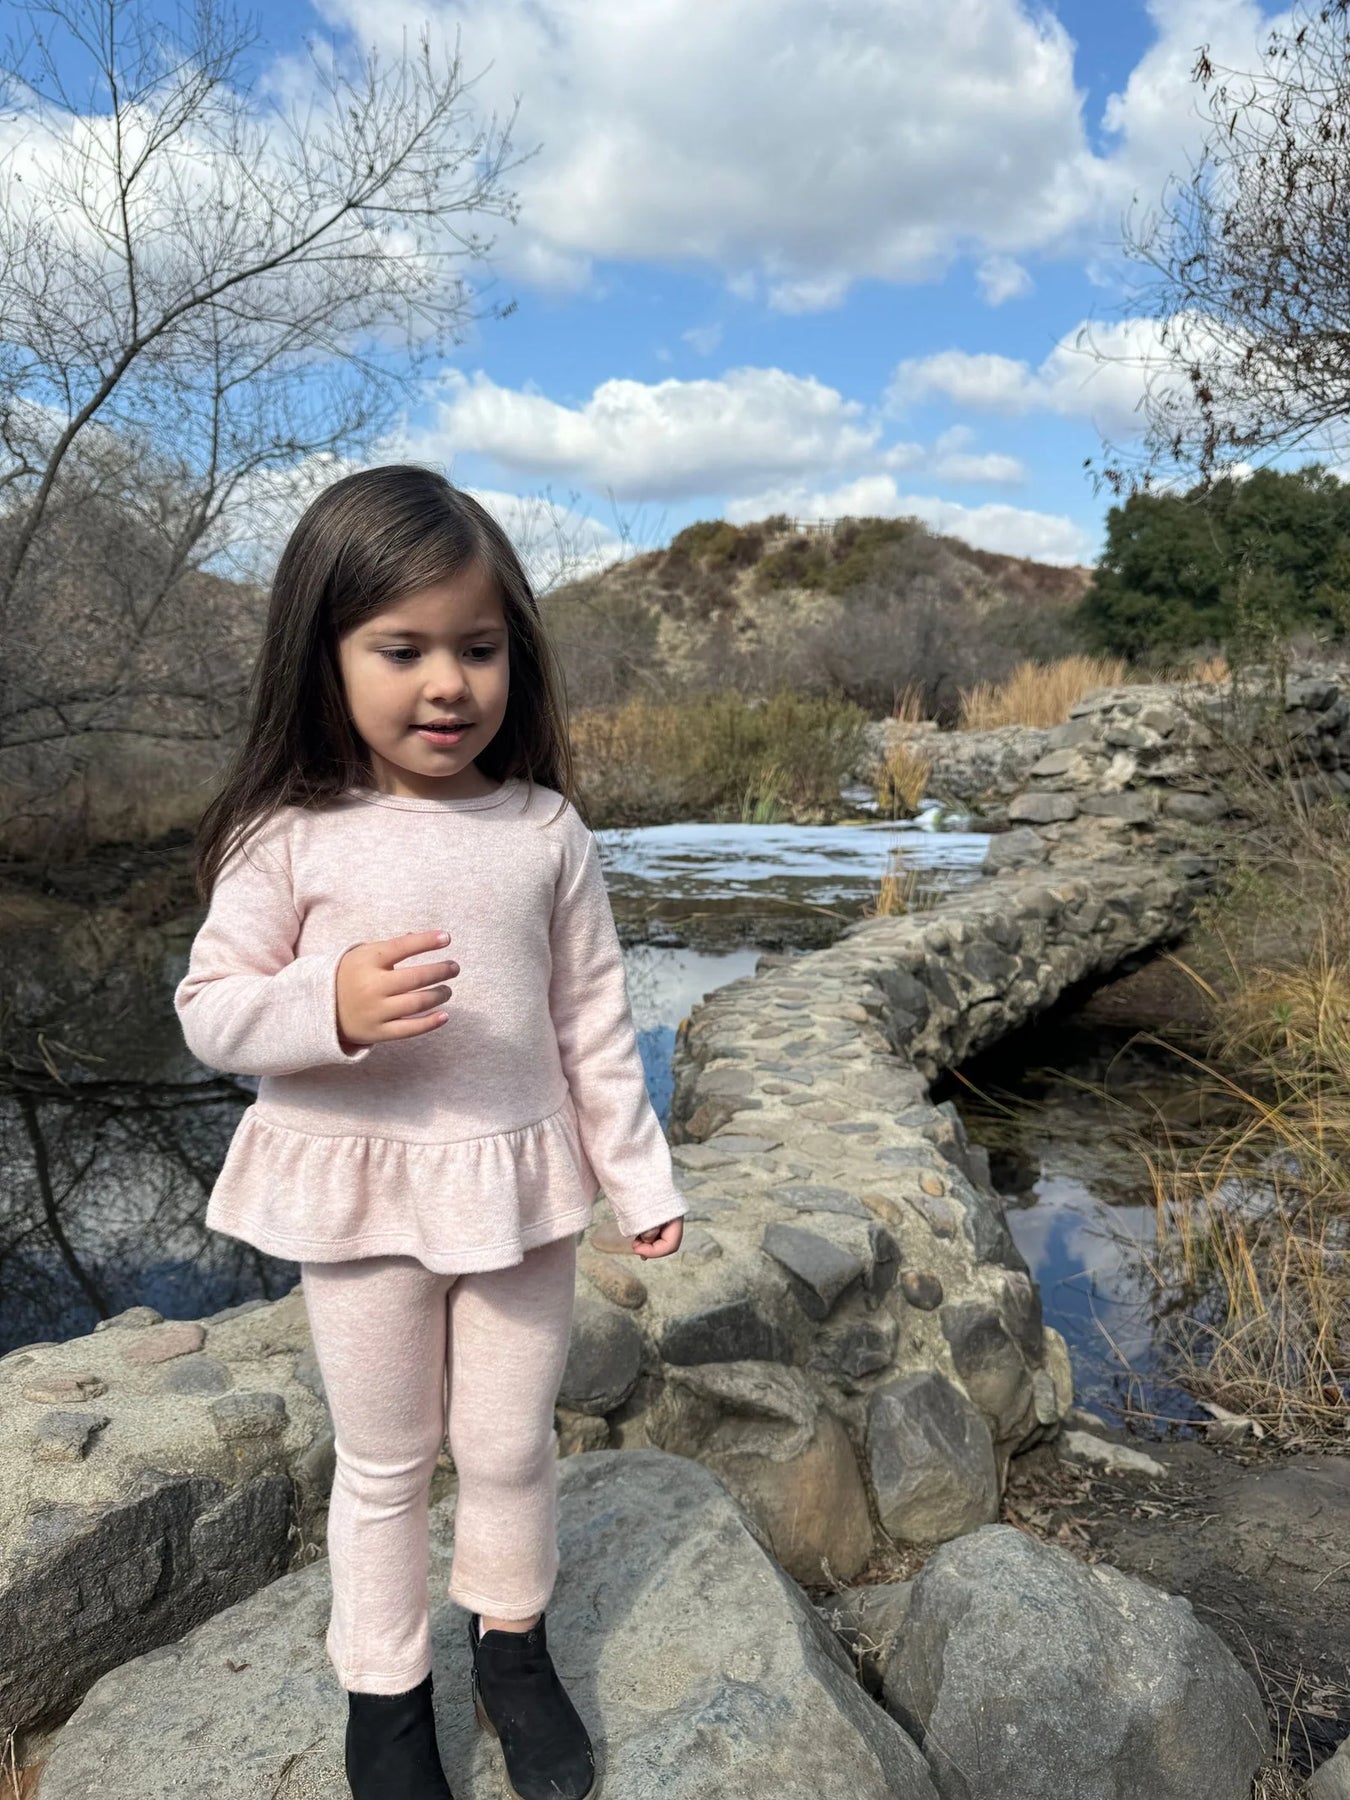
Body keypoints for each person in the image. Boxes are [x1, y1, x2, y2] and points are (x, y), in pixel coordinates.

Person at [173, 464, 687, 1800]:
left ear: (516, 654)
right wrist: (324, 1005)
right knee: (386, 1462)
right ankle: (386, 1697)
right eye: (401, 650)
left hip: (518, 1187)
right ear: (325, 655)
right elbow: (211, 1009)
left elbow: (592, 1020)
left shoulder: (545, 831)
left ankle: (511, 1646)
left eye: (479, 647)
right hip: (358, 1198)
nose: (447, 684)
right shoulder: (289, 835)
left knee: (511, 1444)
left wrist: (638, 1176)